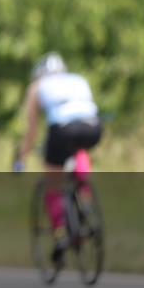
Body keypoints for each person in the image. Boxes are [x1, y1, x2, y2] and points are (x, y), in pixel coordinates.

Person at [14, 53, 102, 266]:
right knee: (79, 149)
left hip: (62, 129)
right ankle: (84, 193)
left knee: (52, 183)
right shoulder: (77, 79)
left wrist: (20, 158)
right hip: (94, 127)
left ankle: (61, 232)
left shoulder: (36, 87)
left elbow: (32, 130)